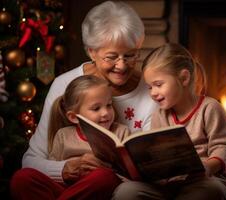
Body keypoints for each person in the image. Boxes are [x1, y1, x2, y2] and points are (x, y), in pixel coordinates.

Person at [10, 1, 157, 199]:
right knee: (22, 179)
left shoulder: (153, 91)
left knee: (104, 179)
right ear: (91, 51)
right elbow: (31, 160)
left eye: (130, 55)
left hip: (109, 187)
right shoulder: (65, 84)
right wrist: (64, 169)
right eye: (111, 57)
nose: (122, 66)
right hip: (70, 188)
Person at [112, 43, 226, 200]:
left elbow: (224, 148)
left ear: (184, 78)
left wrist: (208, 167)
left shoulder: (210, 108)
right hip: (172, 185)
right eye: (149, 87)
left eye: (158, 85)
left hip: (212, 180)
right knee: (126, 191)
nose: (153, 93)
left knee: (207, 190)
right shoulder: (159, 115)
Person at [47, 75, 130, 187]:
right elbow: (52, 171)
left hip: (101, 188)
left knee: (103, 176)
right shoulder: (63, 135)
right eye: (96, 108)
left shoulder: (121, 132)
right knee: (23, 177)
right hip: (67, 189)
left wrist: (108, 170)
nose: (105, 113)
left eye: (109, 105)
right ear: (74, 117)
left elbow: (130, 176)